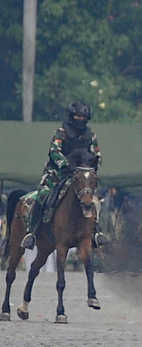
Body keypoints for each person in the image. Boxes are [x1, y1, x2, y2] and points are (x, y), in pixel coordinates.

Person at [20, 101, 110, 250]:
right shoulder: (60, 133)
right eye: (77, 116)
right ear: (71, 116)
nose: (80, 119)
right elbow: (54, 152)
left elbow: (97, 155)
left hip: (81, 177)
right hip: (58, 174)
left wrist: (93, 164)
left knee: (95, 200)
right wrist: (66, 164)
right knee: (43, 196)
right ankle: (32, 233)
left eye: (83, 117)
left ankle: (95, 232)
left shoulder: (91, 136)